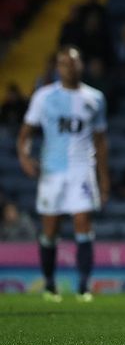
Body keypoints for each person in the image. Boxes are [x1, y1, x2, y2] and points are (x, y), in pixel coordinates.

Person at [16, 46, 109, 302]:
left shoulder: (95, 98)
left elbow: (101, 141)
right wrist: (24, 156)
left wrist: (104, 178)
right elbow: (25, 133)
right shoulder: (43, 97)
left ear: (81, 66)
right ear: (58, 68)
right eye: (64, 63)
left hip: (82, 169)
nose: (69, 67)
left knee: (83, 222)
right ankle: (49, 284)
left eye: (74, 62)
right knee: (50, 229)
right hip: (52, 171)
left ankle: (83, 285)